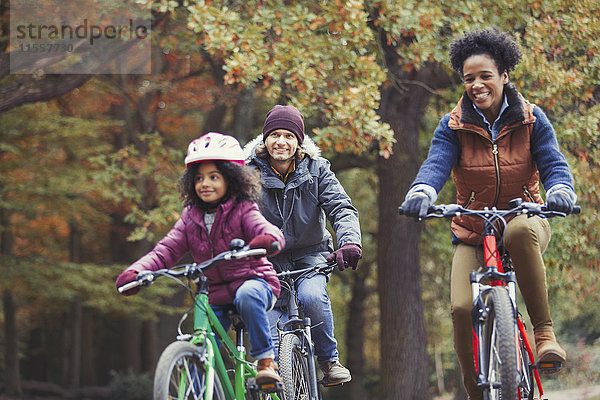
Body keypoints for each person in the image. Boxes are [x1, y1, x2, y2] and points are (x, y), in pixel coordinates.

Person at [401, 28, 576, 400]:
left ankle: (544, 335)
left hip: (525, 217)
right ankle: (474, 393)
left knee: (521, 233)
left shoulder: (532, 119)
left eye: (485, 76)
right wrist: (422, 191)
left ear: (504, 76)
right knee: (462, 307)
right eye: (469, 79)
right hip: (473, 229)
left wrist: (560, 190)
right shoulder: (453, 125)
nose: (477, 85)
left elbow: (553, 163)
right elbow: (436, 164)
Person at [115, 132, 286, 385]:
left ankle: (265, 361)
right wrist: (138, 273)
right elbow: (166, 250)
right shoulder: (190, 216)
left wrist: (267, 240)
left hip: (255, 282)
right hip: (215, 294)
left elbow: (267, 230)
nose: (205, 183)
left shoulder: (243, 208)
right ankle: (195, 387)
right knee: (202, 344)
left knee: (247, 295)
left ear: (231, 179)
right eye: (199, 178)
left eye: (214, 177)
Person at [244, 105, 362, 385]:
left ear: (298, 141)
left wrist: (349, 242)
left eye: (288, 135)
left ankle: (328, 362)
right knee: (267, 321)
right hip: (267, 259)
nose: (281, 142)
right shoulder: (248, 174)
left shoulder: (318, 169)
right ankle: (270, 371)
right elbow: (237, 214)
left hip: (311, 256)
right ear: (265, 140)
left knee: (312, 298)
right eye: (274, 135)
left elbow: (341, 208)